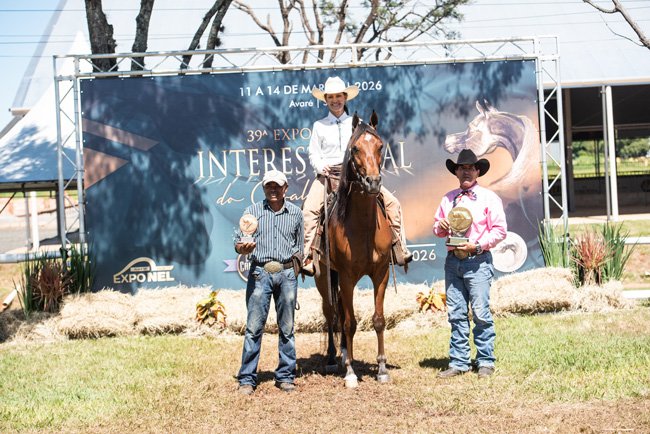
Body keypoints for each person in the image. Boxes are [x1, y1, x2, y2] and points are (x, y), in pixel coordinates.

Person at [302, 76, 412, 275]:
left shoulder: (358, 124)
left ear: (345, 97)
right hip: (328, 175)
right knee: (310, 210)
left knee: (393, 203)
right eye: (330, 97)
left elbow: (368, 149)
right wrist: (320, 166)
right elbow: (313, 152)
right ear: (325, 100)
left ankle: (399, 247)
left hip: (356, 176)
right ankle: (308, 255)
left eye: (338, 96)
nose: (335, 100)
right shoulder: (319, 125)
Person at [432, 149, 507, 379]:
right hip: (453, 261)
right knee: (456, 313)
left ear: (477, 171)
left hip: (477, 261)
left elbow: (500, 231)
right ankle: (459, 362)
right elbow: (437, 229)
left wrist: (476, 246)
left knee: (481, 313)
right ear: (456, 172)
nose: (466, 172)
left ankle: (485, 361)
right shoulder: (448, 198)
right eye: (461, 168)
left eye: (470, 168)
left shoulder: (489, 198)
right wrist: (441, 225)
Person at [234, 169, 304, 395]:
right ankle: (247, 378)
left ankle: (285, 376)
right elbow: (239, 242)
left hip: (286, 274)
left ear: (285, 188)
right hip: (260, 274)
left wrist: (295, 268)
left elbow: (299, 247)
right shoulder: (251, 213)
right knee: (254, 328)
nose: (273, 189)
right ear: (263, 188)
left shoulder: (296, 213)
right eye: (268, 185)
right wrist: (242, 248)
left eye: (277, 185)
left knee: (287, 328)